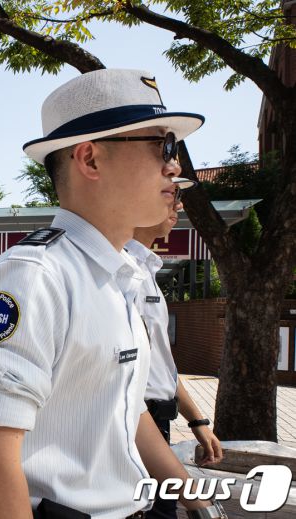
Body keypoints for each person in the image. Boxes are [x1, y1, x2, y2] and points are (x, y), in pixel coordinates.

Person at [0, 69, 227, 518]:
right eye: (163, 145)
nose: (175, 165)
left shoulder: (120, 278)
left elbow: (125, 406)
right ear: (90, 159)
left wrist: (193, 495)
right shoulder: (35, 277)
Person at [127, 178, 224, 519]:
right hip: (136, 425)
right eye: (171, 196)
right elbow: (121, 384)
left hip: (155, 419)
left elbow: (160, 365)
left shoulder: (145, 269)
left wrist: (197, 420)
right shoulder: (121, 273)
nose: (178, 207)